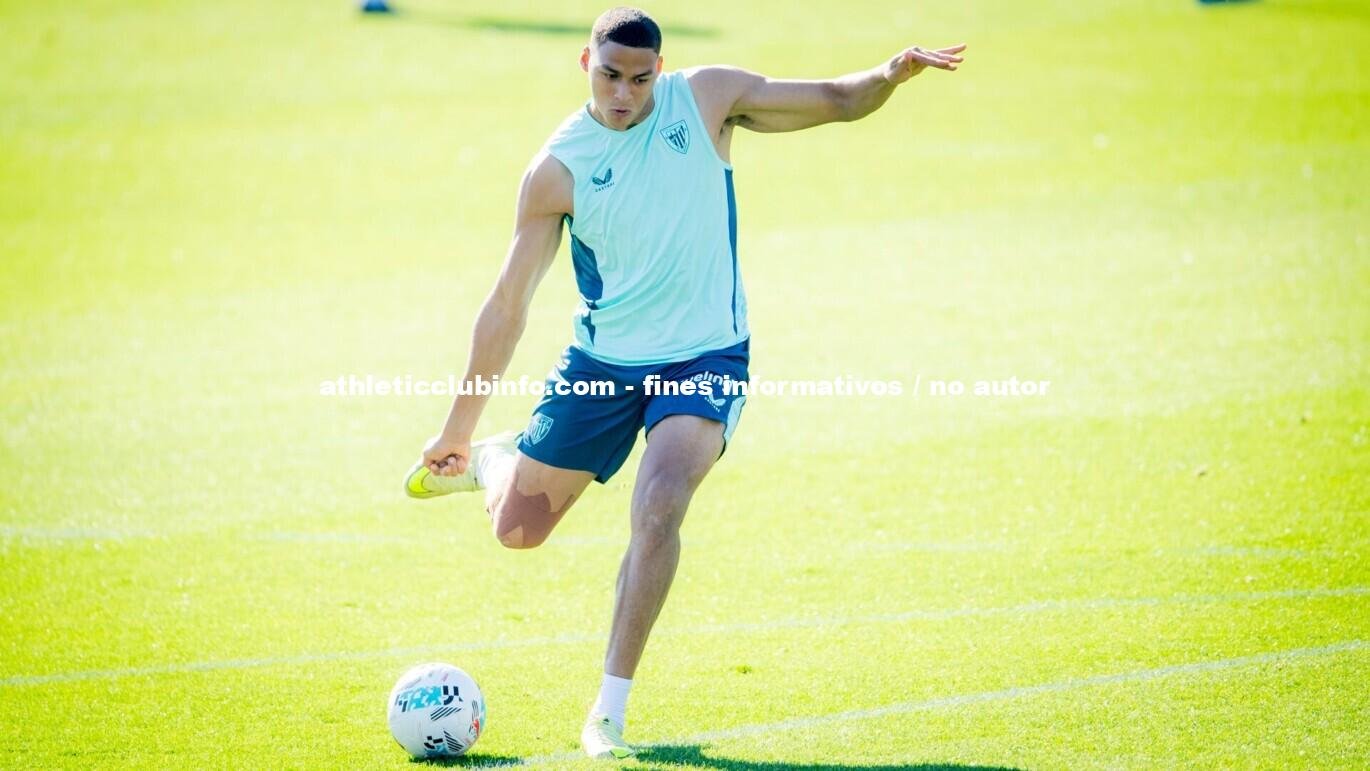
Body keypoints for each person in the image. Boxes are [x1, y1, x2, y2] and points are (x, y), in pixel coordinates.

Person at [403, 6, 964, 759]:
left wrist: (889, 74)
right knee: (518, 531)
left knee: (660, 502)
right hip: (602, 366)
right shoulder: (557, 170)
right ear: (585, 64)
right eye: (610, 76)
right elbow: (508, 306)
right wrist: (458, 430)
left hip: (705, 357)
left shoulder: (706, 101)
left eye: (640, 79)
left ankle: (608, 714)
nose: (624, 93)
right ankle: (495, 463)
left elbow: (836, 99)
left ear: (659, 71)